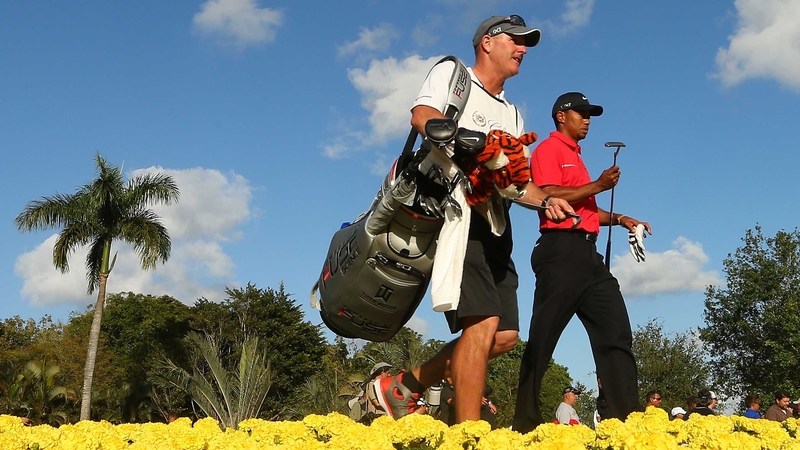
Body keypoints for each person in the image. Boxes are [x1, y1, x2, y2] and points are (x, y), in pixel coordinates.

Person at [375, 15, 575, 424]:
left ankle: (402, 386)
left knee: (503, 337)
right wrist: (461, 142)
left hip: (497, 226)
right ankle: (469, 433)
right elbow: (422, 115)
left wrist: (547, 202)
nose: (523, 49)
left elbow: (517, 184)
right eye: (515, 40)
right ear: (487, 42)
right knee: (482, 324)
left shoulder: (513, 115)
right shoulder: (454, 75)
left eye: (527, 43)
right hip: (456, 216)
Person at [512, 92, 651, 433]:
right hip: (560, 251)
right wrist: (599, 184)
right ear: (561, 116)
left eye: (591, 114)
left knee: (616, 333)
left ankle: (624, 422)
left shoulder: (578, 156)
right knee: (543, 338)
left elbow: (586, 209)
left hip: (589, 256)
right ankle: (525, 424)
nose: (587, 119)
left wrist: (620, 218)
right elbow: (547, 193)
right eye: (582, 113)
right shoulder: (549, 149)